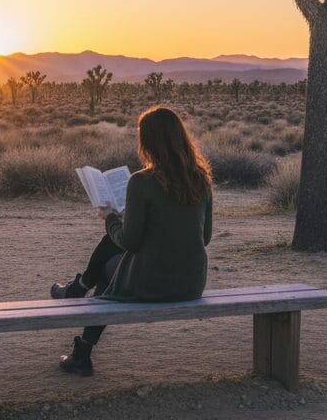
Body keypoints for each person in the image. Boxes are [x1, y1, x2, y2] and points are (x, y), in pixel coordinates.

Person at [50, 106, 213, 376]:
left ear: (147, 142)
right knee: (111, 258)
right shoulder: (200, 179)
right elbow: (203, 237)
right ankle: (81, 334)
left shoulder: (142, 182)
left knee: (108, 267)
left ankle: (80, 297)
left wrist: (111, 217)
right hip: (191, 282)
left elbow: (130, 242)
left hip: (154, 283)